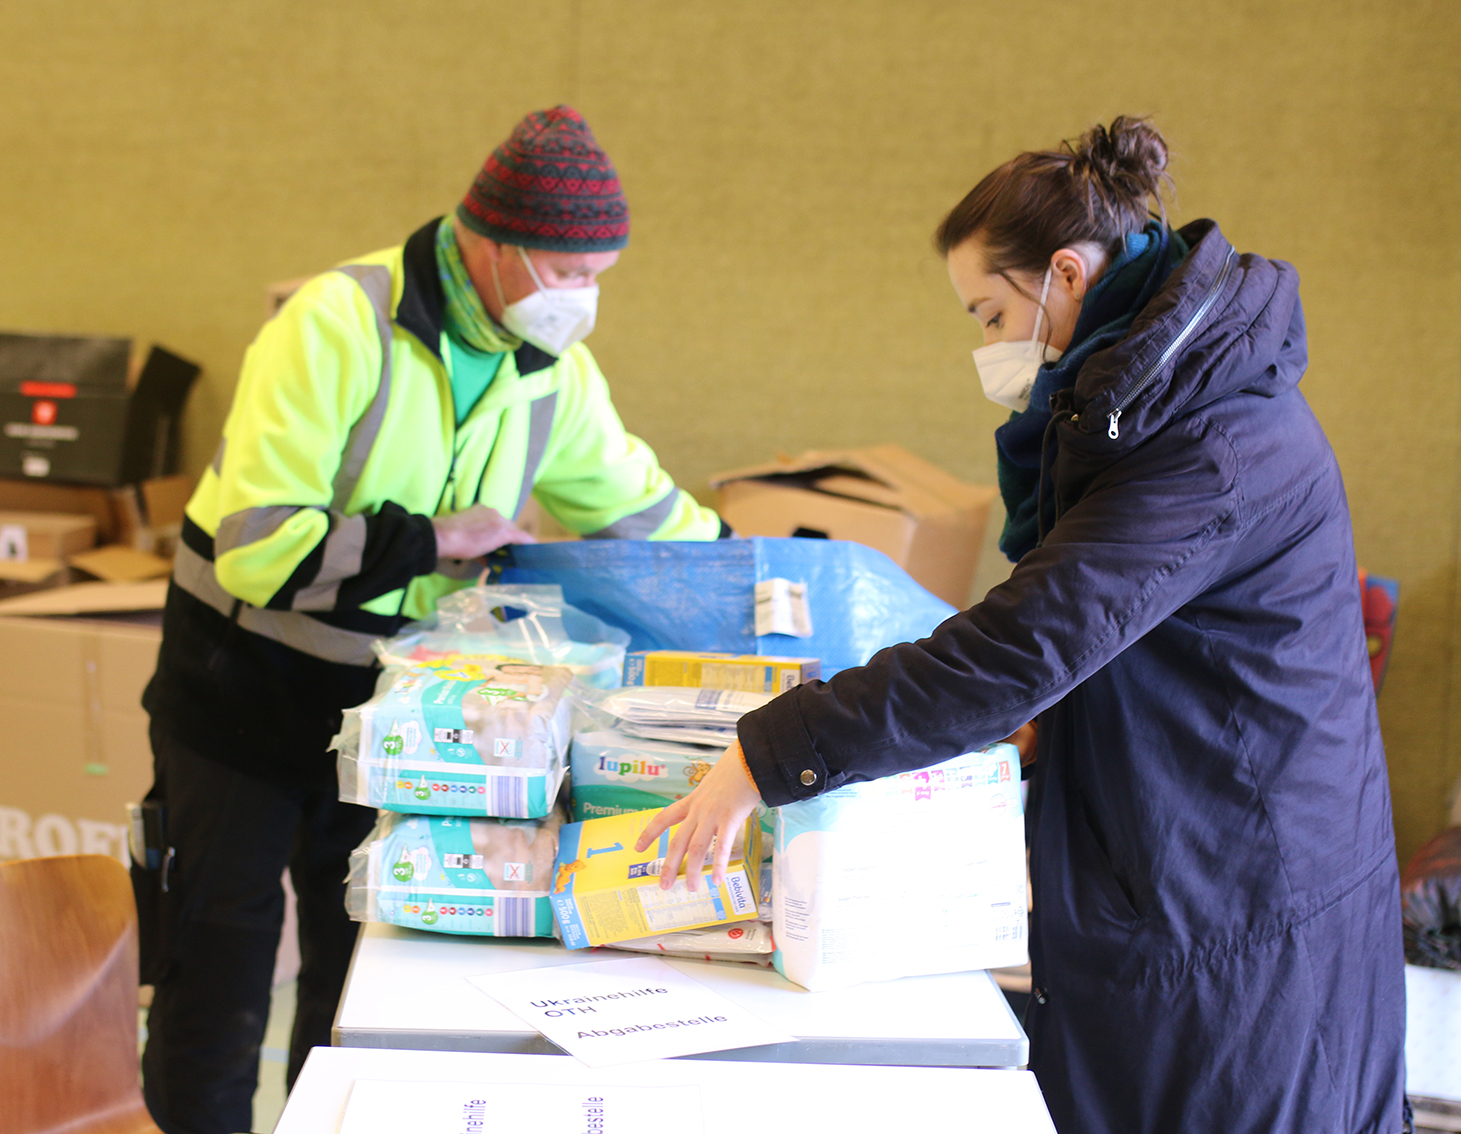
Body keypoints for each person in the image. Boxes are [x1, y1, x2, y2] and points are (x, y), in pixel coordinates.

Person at [638, 117, 1406, 1134]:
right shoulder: (1169, 405)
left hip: (1242, 889)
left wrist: (767, 756)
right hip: (1202, 844)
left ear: (1068, 276)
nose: (990, 347)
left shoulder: (1210, 447)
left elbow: (1025, 643)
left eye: (993, 313)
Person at [136, 105, 725, 1134]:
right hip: (239, 698)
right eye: (566, 270)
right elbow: (261, 545)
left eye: (599, 274)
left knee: (355, 980)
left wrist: (760, 576)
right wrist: (433, 541)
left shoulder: (554, 374)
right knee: (217, 976)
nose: (582, 299)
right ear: (489, 244)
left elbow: (642, 511)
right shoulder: (336, 322)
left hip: (386, 723)